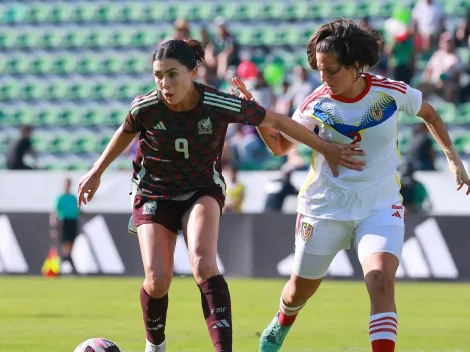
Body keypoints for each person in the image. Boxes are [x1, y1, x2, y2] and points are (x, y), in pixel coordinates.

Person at [76, 39, 365, 352]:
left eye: (173, 74)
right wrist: (96, 170)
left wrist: (325, 148)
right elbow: (126, 131)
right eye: (158, 75)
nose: (165, 83)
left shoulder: (217, 103)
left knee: (202, 264)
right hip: (154, 192)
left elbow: (277, 121)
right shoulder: (146, 106)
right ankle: (155, 345)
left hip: (201, 189)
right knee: (158, 279)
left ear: (194, 72)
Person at [232, 19, 470, 352]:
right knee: (298, 291)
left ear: (356, 66)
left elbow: (429, 113)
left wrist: (452, 158)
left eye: (330, 70)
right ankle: (283, 320)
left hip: (379, 204)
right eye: (319, 70)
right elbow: (279, 147)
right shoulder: (316, 102)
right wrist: (254, 116)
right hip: (326, 207)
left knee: (381, 279)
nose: (323, 78)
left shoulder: (390, 93)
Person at [49, 177, 80, 274]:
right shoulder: (60, 198)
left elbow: (78, 210)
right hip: (64, 222)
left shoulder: (74, 198)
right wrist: (54, 227)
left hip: (73, 221)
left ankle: (64, 264)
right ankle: (70, 267)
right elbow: (55, 212)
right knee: (65, 244)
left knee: (71, 244)